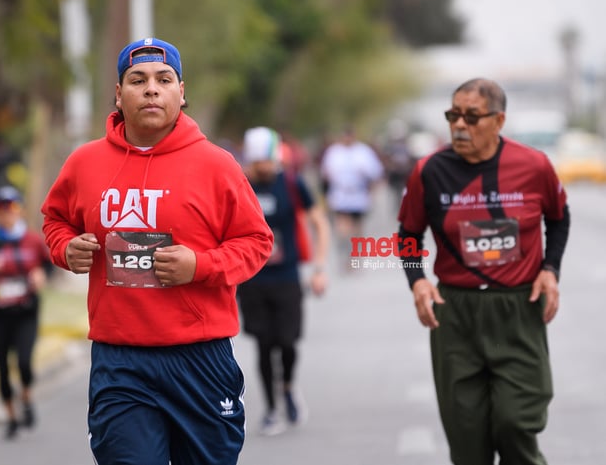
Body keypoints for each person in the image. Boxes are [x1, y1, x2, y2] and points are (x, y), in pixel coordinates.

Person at [40, 37, 273, 465]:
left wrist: (199, 265)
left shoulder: (216, 165)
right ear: (118, 94)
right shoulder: (84, 163)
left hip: (199, 357)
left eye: (164, 80)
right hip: (120, 359)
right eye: (138, 80)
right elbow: (56, 221)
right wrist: (64, 248)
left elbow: (257, 243)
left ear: (181, 93)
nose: (151, 89)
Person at [397, 78, 570, 465]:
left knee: (515, 423)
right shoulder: (429, 170)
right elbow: (409, 232)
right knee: (467, 441)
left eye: (472, 117)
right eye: (453, 115)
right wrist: (418, 280)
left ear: (499, 120)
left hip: (517, 309)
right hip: (456, 314)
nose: (460, 125)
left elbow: (559, 218)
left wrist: (550, 269)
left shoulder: (534, 165)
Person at [237, 126, 330, 436]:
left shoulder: (291, 184)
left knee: (287, 343)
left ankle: (288, 387)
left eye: (267, 160)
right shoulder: (240, 185)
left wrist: (319, 267)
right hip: (252, 279)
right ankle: (271, 409)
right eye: (256, 161)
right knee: (264, 345)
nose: (262, 167)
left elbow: (319, 222)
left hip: (287, 277)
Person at [0, 185, 51, 439]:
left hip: (26, 311)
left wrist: (41, 276)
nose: (7, 213)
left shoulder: (33, 239)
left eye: (12, 207)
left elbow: (50, 267)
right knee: (2, 367)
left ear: (21, 210)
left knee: (24, 362)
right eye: (1, 209)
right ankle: (12, 417)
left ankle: (26, 397)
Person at [319, 125, 384, 265]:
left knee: (357, 227)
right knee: (342, 226)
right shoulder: (334, 152)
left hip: (358, 195)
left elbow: (375, 172)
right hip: (340, 195)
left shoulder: (363, 151)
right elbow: (325, 173)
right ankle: (344, 252)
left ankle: (355, 255)